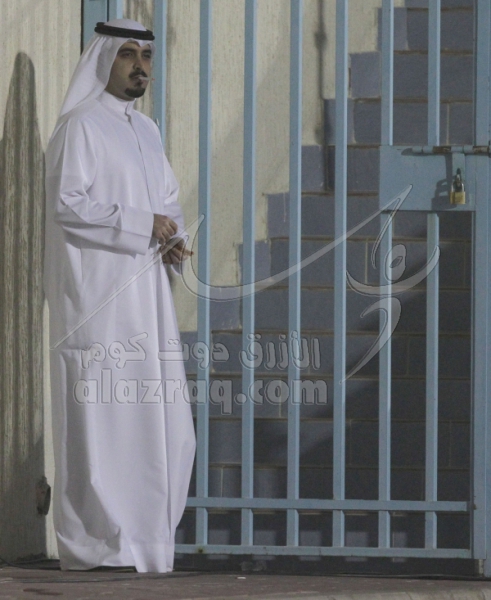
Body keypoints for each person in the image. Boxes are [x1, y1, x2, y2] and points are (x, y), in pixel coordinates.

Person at [44, 19, 196, 573]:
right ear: (104, 59)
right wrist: (141, 223)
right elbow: (67, 204)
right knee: (102, 419)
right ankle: (96, 544)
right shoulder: (80, 125)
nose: (139, 66)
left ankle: (144, 542)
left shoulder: (146, 129)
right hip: (99, 298)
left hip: (147, 296)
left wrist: (172, 235)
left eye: (146, 56)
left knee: (161, 420)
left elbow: (167, 199)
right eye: (128, 54)